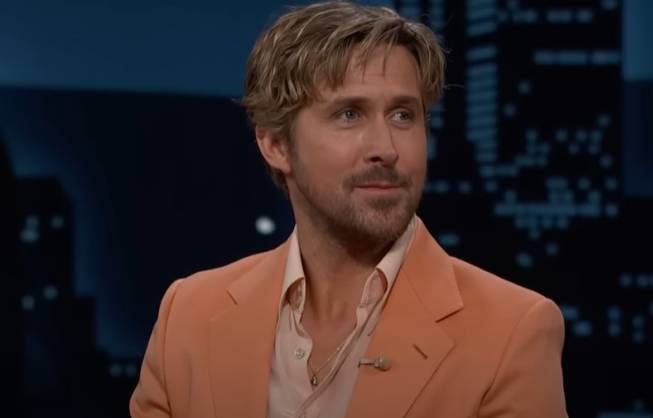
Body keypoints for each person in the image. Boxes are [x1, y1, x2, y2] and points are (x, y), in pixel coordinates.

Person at [129, 2, 568, 417]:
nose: (386, 149)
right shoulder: (187, 316)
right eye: (349, 115)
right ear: (276, 144)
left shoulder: (512, 331)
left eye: (403, 115)